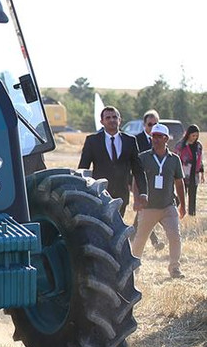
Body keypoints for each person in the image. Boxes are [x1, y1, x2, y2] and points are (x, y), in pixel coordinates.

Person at [132, 123, 187, 278]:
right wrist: (136, 199)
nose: (155, 139)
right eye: (153, 136)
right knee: (140, 239)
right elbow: (137, 181)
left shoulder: (174, 159)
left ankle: (174, 268)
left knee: (175, 237)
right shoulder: (143, 158)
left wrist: (183, 204)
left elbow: (179, 182)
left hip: (168, 206)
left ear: (166, 139)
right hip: (148, 207)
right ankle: (134, 267)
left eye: (158, 136)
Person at [78, 106, 148, 216]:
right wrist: (82, 192)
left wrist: (143, 192)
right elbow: (83, 169)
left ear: (119, 120)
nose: (112, 120)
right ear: (102, 121)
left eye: (115, 117)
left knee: (117, 229)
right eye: (108, 118)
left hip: (121, 195)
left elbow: (138, 169)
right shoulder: (92, 141)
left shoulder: (130, 141)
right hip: (99, 195)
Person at [132, 109, 164, 250]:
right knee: (144, 210)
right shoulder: (136, 140)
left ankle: (131, 238)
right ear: (144, 124)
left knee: (144, 212)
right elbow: (131, 163)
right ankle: (154, 241)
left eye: (156, 123)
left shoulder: (162, 139)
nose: (153, 127)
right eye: (150, 124)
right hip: (139, 182)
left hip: (156, 182)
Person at [174, 124, 204, 216]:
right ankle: (172, 211)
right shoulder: (180, 145)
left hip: (194, 175)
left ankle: (192, 214)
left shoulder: (198, 146)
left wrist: (202, 174)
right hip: (183, 174)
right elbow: (175, 159)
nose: (194, 138)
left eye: (196, 136)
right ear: (188, 134)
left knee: (193, 196)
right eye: (193, 135)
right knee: (180, 196)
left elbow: (200, 159)